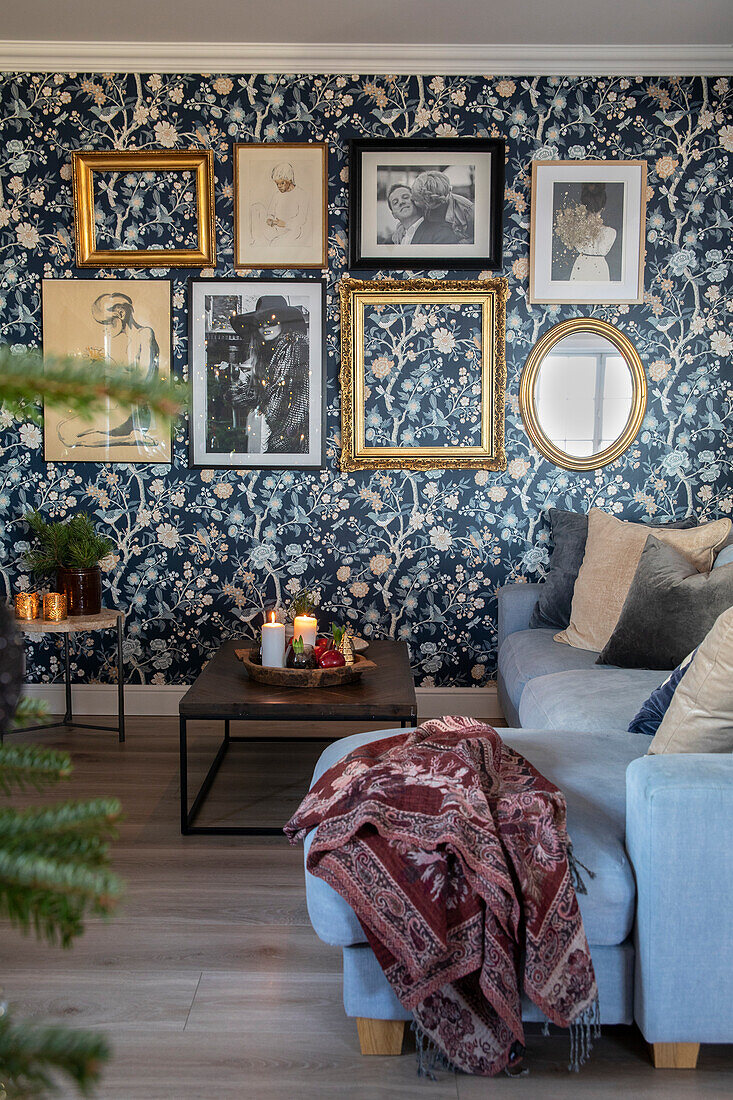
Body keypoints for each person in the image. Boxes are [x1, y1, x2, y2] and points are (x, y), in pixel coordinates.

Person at [59, 292, 160, 450]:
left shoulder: (145, 334)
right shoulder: (128, 342)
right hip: (121, 407)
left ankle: (130, 438)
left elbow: (142, 378)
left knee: (67, 433)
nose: (106, 328)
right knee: (64, 430)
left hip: (134, 412)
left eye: (107, 322)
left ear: (121, 313)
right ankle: (130, 438)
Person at [229, 295, 309, 454]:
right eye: (260, 322)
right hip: (281, 436)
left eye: (271, 321)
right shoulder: (267, 352)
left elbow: (285, 404)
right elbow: (257, 394)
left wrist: (279, 447)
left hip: (293, 440)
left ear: (283, 323)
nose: (265, 325)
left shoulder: (294, 345)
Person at [554, 182, 617, 282]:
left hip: (581, 266)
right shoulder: (610, 233)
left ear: (584, 205)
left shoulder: (574, 228)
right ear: (603, 207)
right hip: (599, 269)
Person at [249, 162, 311, 246]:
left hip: (292, 231)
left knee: (275, 244)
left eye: (282, 183)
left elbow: (301, 219)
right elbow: (271, 212)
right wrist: (270, 219)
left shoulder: (301, 195)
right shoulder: (277, 195)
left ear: (289, 180)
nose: (279, 186)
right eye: (277, 184)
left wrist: (285, 224)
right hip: (276, 228)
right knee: (257, 209)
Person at [410, 170, 474, 245]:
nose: (413, 200)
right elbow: (410, 218)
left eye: (417, 199)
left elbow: (479, 238)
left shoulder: (466, 209)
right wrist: (401, 227)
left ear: (429, 201)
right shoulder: (422, 205)